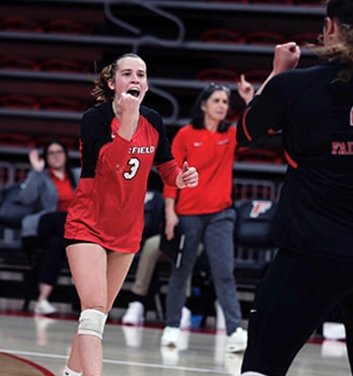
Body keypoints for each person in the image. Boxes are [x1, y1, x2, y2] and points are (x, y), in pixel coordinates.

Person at [236, 0, 353, 375]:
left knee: (262, 362)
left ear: (329, 27)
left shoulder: (296, 85)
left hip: (313, 247)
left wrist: (276, 74)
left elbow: (246, 131)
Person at [61, 53, 199, 376]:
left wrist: (180, 177)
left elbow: (165, 166)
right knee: (93, 312)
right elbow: (110, 165)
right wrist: (126, 121)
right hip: (88, 223)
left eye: (141, 74)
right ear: (112, 83)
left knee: (94, 317)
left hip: (126, 229)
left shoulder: (153, 120)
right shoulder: (93, 119)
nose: (135, 79)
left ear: (147, 84)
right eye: (127, 74)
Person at [159, 79, 254, 353]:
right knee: (181, 271)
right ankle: (172, 326)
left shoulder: (231, 134)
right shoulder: (185, 135)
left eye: (225, 101)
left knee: (224, 272)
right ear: (203, 105)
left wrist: (249, 101)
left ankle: (235, 330)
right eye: (217, 100)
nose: (222, 106)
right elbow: (170, 174)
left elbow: (259, 130)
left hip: (221, 214)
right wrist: (169, 211)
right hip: (187, 214)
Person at [17, 138, 78, 315]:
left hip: (65, 232)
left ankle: (42, 299)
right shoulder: (41, 176)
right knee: (61, 218)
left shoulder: (76, 175)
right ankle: (79, 268)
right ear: (46, 157)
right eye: (51, 153)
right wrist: (36, 172)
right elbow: (25, 199)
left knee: (56, 245)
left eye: (59, 152)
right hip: (42, 226)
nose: (56, 156)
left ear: (66, 155)